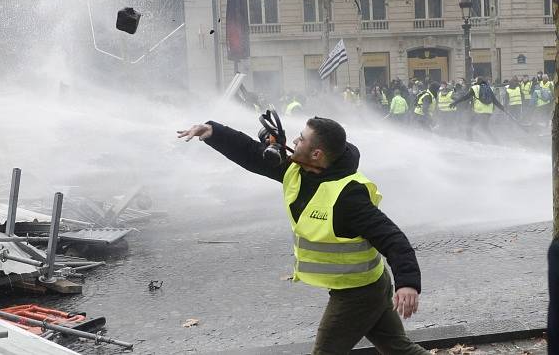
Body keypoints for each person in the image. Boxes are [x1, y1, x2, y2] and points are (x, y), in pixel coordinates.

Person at [177, 117, 429, 355]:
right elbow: (253, 154)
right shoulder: (297, 170)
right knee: (400, 350)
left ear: (317, 154)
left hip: (357, 292)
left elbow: (393, 238)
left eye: (301, 139)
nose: (294, 142)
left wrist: (407, 283)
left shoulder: (348, 197)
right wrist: (214, 132)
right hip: (370, 282)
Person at [450, 77, 504, 141]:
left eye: (475, 81)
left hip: (479, 111)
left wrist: (455, 102)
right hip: (488, 111)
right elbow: (495, 100)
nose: (474, 82)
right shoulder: (489, 88)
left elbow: (465, 97)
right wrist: (502, 108)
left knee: (469, 126)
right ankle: (495, 141)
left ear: (478, 81)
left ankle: (470, 141)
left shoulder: (475, 88)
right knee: (484, 128)